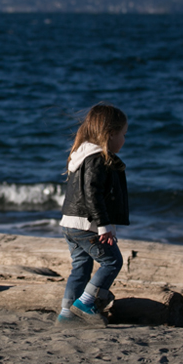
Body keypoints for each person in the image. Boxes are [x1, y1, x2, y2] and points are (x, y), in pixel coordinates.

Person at [57, 103, 129, 326]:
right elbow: (92, 193)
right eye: (122, 134)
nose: (124, 140)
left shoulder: (81, 155)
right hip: (87, 224)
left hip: (70, 223)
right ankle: (85, 303)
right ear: (109, 134)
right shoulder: (97, 158)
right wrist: (104, 225)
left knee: (81, 267)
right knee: (112, 261)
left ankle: (67, 314)